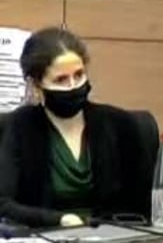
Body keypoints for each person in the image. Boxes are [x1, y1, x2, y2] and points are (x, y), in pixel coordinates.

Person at [0, 27, 153, 228]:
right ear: (36, 84)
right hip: (46, 237)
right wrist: (59, 220)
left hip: (111, 238)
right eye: (61, 80)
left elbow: (141, 205)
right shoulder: (19, 127)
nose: (73, 86)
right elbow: (4, 204)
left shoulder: (121, 125)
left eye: (79, 75)